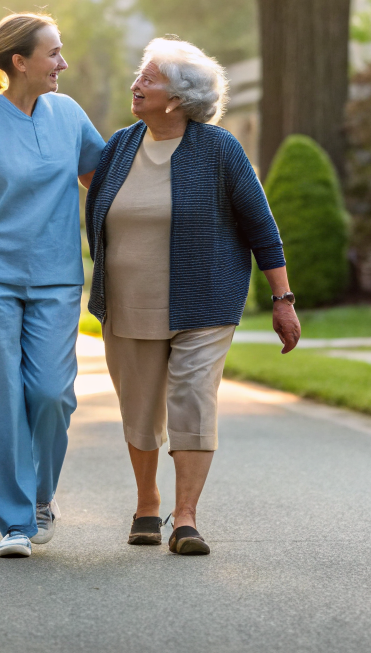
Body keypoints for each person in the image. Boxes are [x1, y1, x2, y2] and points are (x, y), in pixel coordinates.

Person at [85, 38, 301, 556]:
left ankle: (185, 518)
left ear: (178, 99)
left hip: (205, 300)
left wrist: (283, 298)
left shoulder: (218, 148)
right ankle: (146, 504)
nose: (137, 84)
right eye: (140, 74)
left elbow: (260, 224)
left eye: (149, 78)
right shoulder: (118, 147)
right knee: (138, 409)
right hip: (128, 304)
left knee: (193, 402)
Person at [0, 12, 105, 559]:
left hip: (57, 277)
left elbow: (101, 177)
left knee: (52, 393)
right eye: (53, 53)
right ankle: (14, 521)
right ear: (19, 62)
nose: (62, 63)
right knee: (4, 396)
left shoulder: (70, 114)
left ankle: (41, 497)